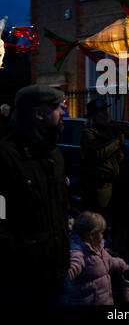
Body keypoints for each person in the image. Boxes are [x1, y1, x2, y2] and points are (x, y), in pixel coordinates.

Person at [0, 84, 70, 306]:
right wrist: (21, 255)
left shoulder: (54, 155)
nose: (63, 113)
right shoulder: (6, 157)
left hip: (58, 274)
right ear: (38, 114)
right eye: (57, 107)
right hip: (23, 282)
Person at [80, 97, 125, 239]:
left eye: (106, 110)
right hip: (100, 186)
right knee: (101, 223)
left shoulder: (108, 131)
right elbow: (98, 154)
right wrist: (117, 142)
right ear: (94, 115)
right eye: (101, 111)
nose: (105, 113)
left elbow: (117, 158)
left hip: (114, 184)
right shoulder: (89, 133)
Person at [68, 211, 129, 305]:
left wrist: (124, 266)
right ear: (91, 235)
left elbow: (110, 261)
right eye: (101, 232)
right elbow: (72, 268)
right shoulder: (78, 253)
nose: (103, 235)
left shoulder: (99, 248)